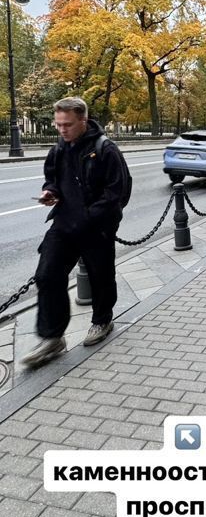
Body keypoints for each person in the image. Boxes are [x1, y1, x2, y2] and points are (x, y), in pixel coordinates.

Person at [22, 97, 128, 367]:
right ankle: (52, 337)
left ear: (83, 120)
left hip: (97, 227)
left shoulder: (106, 149)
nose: (61, 129)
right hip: (64, 224)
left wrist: (90, 217)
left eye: (67, 124)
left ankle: (102, 321)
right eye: (58, 124)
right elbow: (52, 177)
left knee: (101, 276)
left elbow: (116, 193)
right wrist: (51, 191)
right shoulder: (60, 147)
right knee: (47, 275)